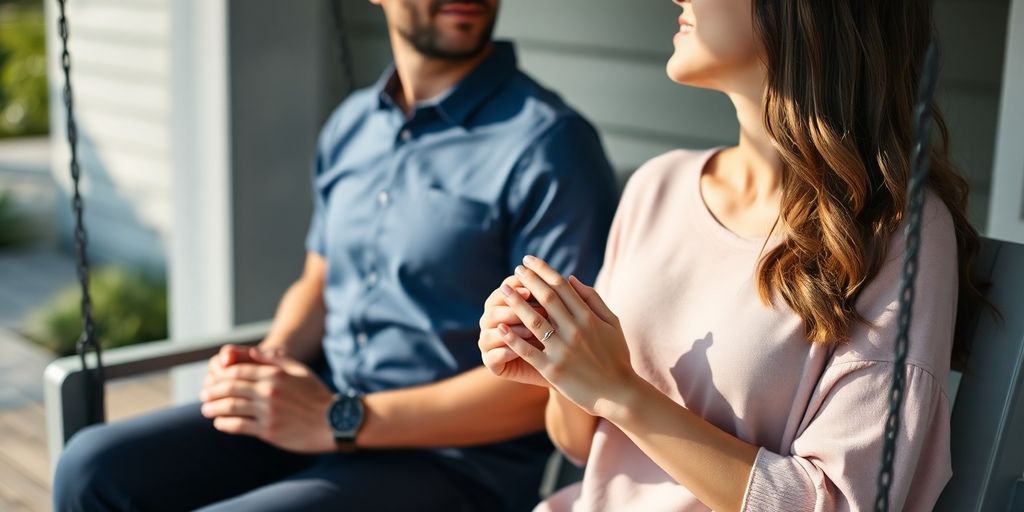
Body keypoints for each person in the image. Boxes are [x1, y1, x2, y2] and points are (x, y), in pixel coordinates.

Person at [53, 0, 617, 510]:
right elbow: (317, 283)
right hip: (325, 410)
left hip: (452, 464)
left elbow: (557, 372)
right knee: (93, 466)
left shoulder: (551, 145)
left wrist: (337, 419)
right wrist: (272, 360)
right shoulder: (352, 125)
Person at [479, 0, 980, 510]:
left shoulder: (897, 235)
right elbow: (583, 444)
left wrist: (619, 391)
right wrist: (561, 362)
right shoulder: (658, 186)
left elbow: (839, 502)